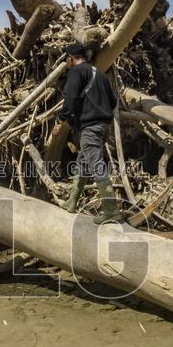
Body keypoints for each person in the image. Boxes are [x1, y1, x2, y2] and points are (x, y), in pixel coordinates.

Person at [59, 43, 122, 224]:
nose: (66, 62)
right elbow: (113, 102)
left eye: (66, 59)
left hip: (90, 129)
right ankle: (71, 203)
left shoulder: (76, 72)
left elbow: (70, 99)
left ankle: (111, 210)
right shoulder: (100, 75)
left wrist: (60, 120)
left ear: (71, 58)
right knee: (83, 163)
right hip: (103, 128)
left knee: (96, 165)